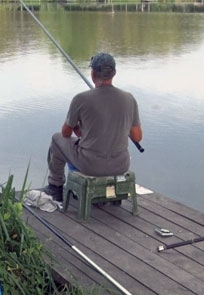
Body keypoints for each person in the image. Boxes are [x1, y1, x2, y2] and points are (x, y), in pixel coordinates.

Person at [43, 52, 142, 202]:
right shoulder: (129, 99)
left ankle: (55, 187)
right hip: (121, 165)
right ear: (114, 73)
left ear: (93, 74)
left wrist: (78, 128)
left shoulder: (81, 99)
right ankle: (112, 195)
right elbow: (137, 137)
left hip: (91, 165)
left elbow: (65, 133)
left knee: (56, 139)